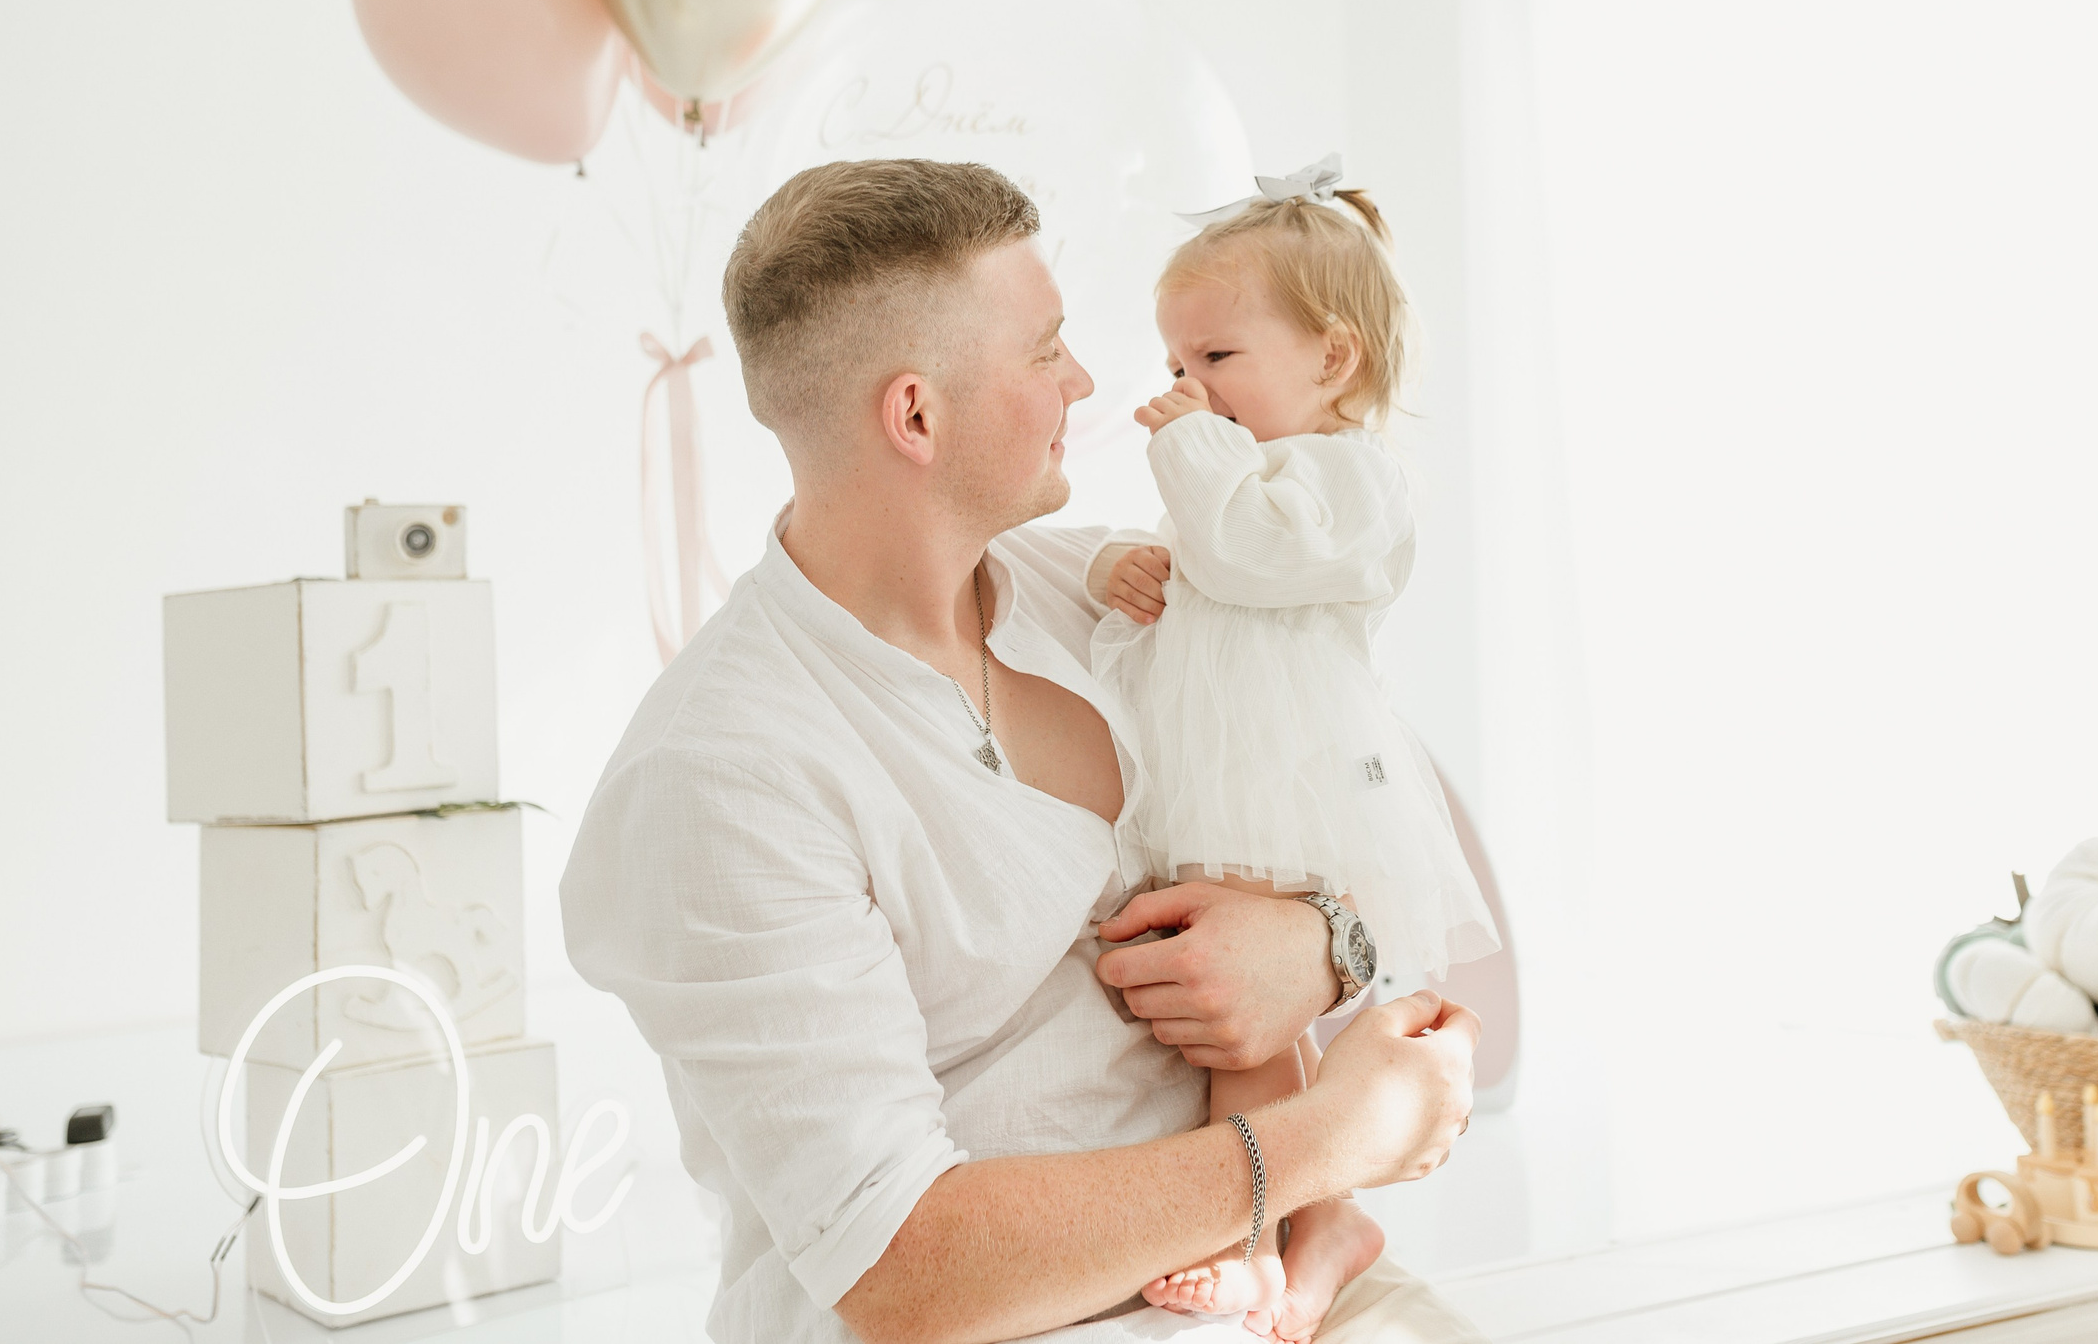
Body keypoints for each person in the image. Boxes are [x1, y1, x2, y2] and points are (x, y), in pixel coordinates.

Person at [561, 158, 1489, 1344]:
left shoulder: (1104, 588)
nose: (1087, 380)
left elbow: (1319, 785)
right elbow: (903, 1268)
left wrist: (1321, 944)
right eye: (1046, 349)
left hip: (1277, 1279)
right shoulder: (720, 777)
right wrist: (1330, 1137)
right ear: (915, 414)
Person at [1086, 160, 1499, 1334]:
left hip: (1292, 781)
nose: (1185, 388)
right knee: (1242, 1019)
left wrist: (1187, 454)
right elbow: (1197, 559)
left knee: (1252, 1022)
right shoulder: (1246, 471)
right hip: (1227, 772)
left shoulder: (1353, 479)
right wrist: (1114, 559)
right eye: (1174, 364)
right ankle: (1323, 1227)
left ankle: (1259, 1245)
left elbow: (1251, 553)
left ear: (1331, 360)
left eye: (1216, 359)